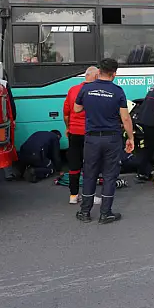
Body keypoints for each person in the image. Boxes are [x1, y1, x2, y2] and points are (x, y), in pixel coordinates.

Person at [74, 58, 135, 224]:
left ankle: (85, 212)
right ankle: (105, 213)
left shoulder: (86, 88)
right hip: (112, 138)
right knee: (109, 175)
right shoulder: (118, 91)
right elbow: (126, 118)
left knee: (89, 174)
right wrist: (131, 138)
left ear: (98, 71)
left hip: (92, 138)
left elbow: (76, 108)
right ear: (114, 74)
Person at [63, 66, 98, 204]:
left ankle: (73, 195)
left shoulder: (72, 90)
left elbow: (66, 113)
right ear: (95, 76)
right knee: (90, 165)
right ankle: (89, 195)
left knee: (74, 164)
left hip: (74, 132)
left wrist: (68, 127)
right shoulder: (95, 91)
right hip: (90, 133)